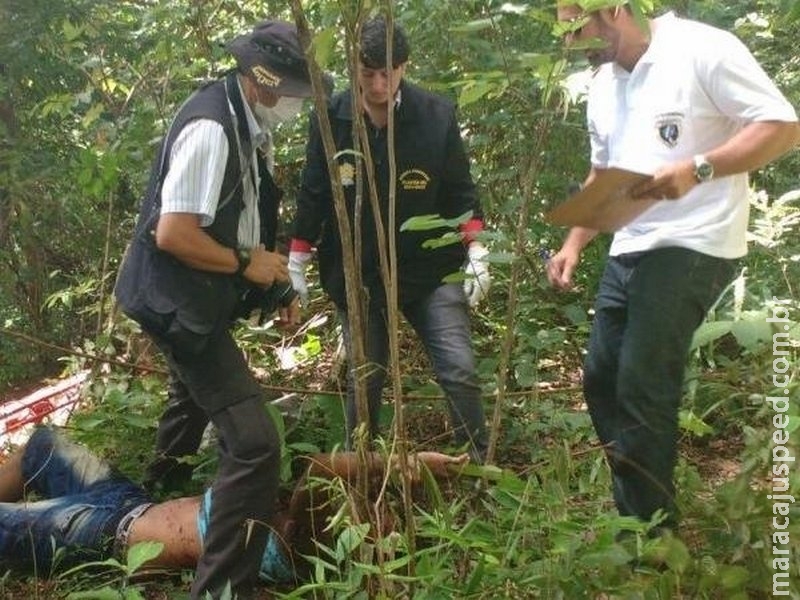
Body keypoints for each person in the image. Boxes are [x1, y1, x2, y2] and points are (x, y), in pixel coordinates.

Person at [547, 3, 800, 530]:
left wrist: (701, 167)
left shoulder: (702, 49)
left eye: (579, 28)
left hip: (696, 240)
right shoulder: (603, 84)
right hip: (630, 242)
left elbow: (780, 125)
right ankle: (639, 505)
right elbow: (602, 175)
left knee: (642, 380)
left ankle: (651, 539)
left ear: (615, 9)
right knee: (601, 377)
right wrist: (574, 242)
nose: (574, 44)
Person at [114, 20, 326, 599]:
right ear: (262, 82)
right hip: (174, 304)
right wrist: (245, 265)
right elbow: (175, 233)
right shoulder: (212, 128)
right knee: (256, 444)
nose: (297, 102)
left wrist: (273, 286)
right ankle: (223, 586)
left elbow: (241, 216)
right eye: (292, 90)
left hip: (193, 298)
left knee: (190, 399)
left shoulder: (244, 120)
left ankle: (158, 494)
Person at [288, 16, 491, 461]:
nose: (378, 84)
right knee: (366, 377)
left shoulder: (435, 116)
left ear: (403, 67)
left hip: (430, 269)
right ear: (353, 67)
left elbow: (460, 190)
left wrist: (476, 246)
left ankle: (475, 468)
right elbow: (315, 191)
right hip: (358, 271)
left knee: (458, 369)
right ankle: (362, 469)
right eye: (368, 74)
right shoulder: (332, 117)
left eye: (388, 73)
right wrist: (298, 257)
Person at [0, 426, 468, 585]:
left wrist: (391, 462)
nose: (382, 513)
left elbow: (318, 469)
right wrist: (405, 464)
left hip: (105, 532)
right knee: (43, 443)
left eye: (387, 526)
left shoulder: (310, 544)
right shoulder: (309, 515)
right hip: (130, 503)